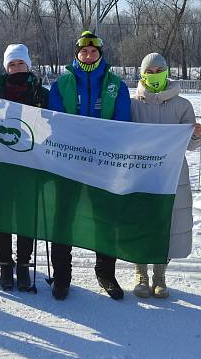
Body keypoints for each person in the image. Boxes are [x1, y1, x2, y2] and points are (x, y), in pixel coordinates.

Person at [47, 30, 131, 301]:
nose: (88, 54)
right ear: (77, 53)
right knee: (64, 218)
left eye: (94, 51)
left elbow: (122, 123)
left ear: (100, 54)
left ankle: (105, 273)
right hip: (69, 163)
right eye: (84, 51)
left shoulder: (116, 85)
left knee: (104, 220)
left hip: (103, 164)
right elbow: (56, 122)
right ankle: (62, 276)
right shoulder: (62, 84)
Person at [130, 52, 201, 298]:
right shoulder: (133, 104)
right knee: (141, 221)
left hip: (173, 173)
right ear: (142, 74)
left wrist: (196, 134)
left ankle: (160, 274)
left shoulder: (182, 105)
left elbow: (191, 145)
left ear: (166, 72)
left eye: (158, 70)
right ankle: (140, 272)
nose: (154, 76)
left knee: (169, 223)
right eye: (149, 72)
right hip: (141, 173)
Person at [0, 43, 49, 291]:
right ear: (6, 67)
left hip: (31, 163)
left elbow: (52, 126)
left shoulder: (40, 93)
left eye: (20, 63)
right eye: (11, 64)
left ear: (28, 65)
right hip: (3, 163)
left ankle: (24, 264)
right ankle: (5, 263)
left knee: (27, 215)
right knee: (4, 215)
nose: (16, 68)